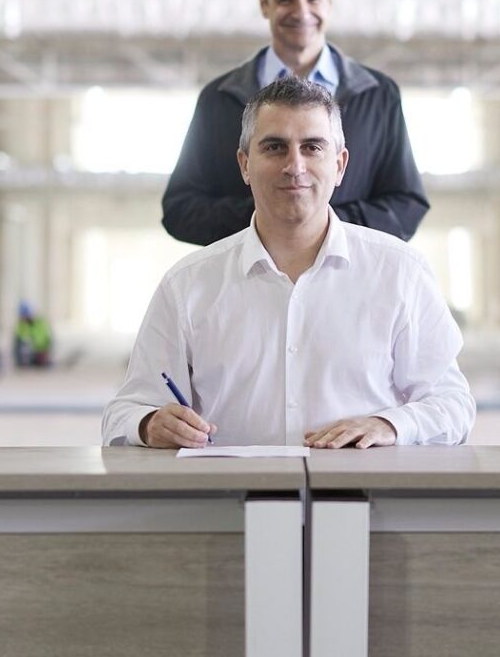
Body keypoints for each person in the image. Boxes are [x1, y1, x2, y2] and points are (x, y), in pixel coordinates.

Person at [106, 75, 473, 449]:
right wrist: (148, 424)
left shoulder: (401, 273)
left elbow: (453, 405)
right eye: (274, 147)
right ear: (245, 165)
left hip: (360, 486)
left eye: (312, 147)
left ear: (340, 165)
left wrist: (390, 425)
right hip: (227, 487)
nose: (294, 166)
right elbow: (123, 413)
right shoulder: (187, 285)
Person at [161, 0, 429, 246]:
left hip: (351, 273)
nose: (301, 12)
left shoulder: (378, 95)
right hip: (248, 273)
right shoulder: (218, 99)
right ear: (264, 3)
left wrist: (320, 224)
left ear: (329, 2)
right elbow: (181, 209)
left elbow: (406, 206)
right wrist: (270, 218)